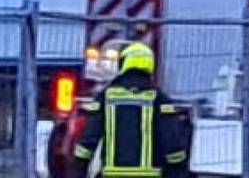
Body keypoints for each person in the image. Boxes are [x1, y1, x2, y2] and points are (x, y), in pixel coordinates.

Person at [71, 42, 190, 178]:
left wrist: (79, 168)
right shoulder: (159, 100)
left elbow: (89, 139)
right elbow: (172, 143)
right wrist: (178, 170)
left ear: (124, 63)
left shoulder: (106, 97)